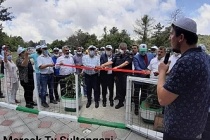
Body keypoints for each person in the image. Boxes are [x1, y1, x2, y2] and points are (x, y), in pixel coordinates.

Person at [157, 17, 210, 140]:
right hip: (195, 128)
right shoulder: (204, 57)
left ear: (180, 38)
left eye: (171, 34)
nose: (170, 38)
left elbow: (162, 99)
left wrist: (162, 72)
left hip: (178, 132)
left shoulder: (186, 62)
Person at [101, 42, 132, 109]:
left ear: (126, 48)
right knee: (119, 89)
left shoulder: (129, 54)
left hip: (126, 76)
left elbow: (126, 63)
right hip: (118, 76)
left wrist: (117, 67)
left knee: (126, 89)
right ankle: (121, 102)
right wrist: (104, 65)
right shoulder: (117, 54)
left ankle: (128, 103)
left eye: (123, 49)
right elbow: (112, 61)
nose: (121, 50)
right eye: (121, 48)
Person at [133, 44, 154, 115]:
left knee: (144, 94)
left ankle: (141, 107)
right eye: (141, 51)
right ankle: (136, 108)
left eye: (144, 51)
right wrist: (144, 71)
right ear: (139, 50)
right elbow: (136, 67)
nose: (143, 53)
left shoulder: (151, 55)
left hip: (147, 79)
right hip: (138, 78)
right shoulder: (136, 57)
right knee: (136, 94)